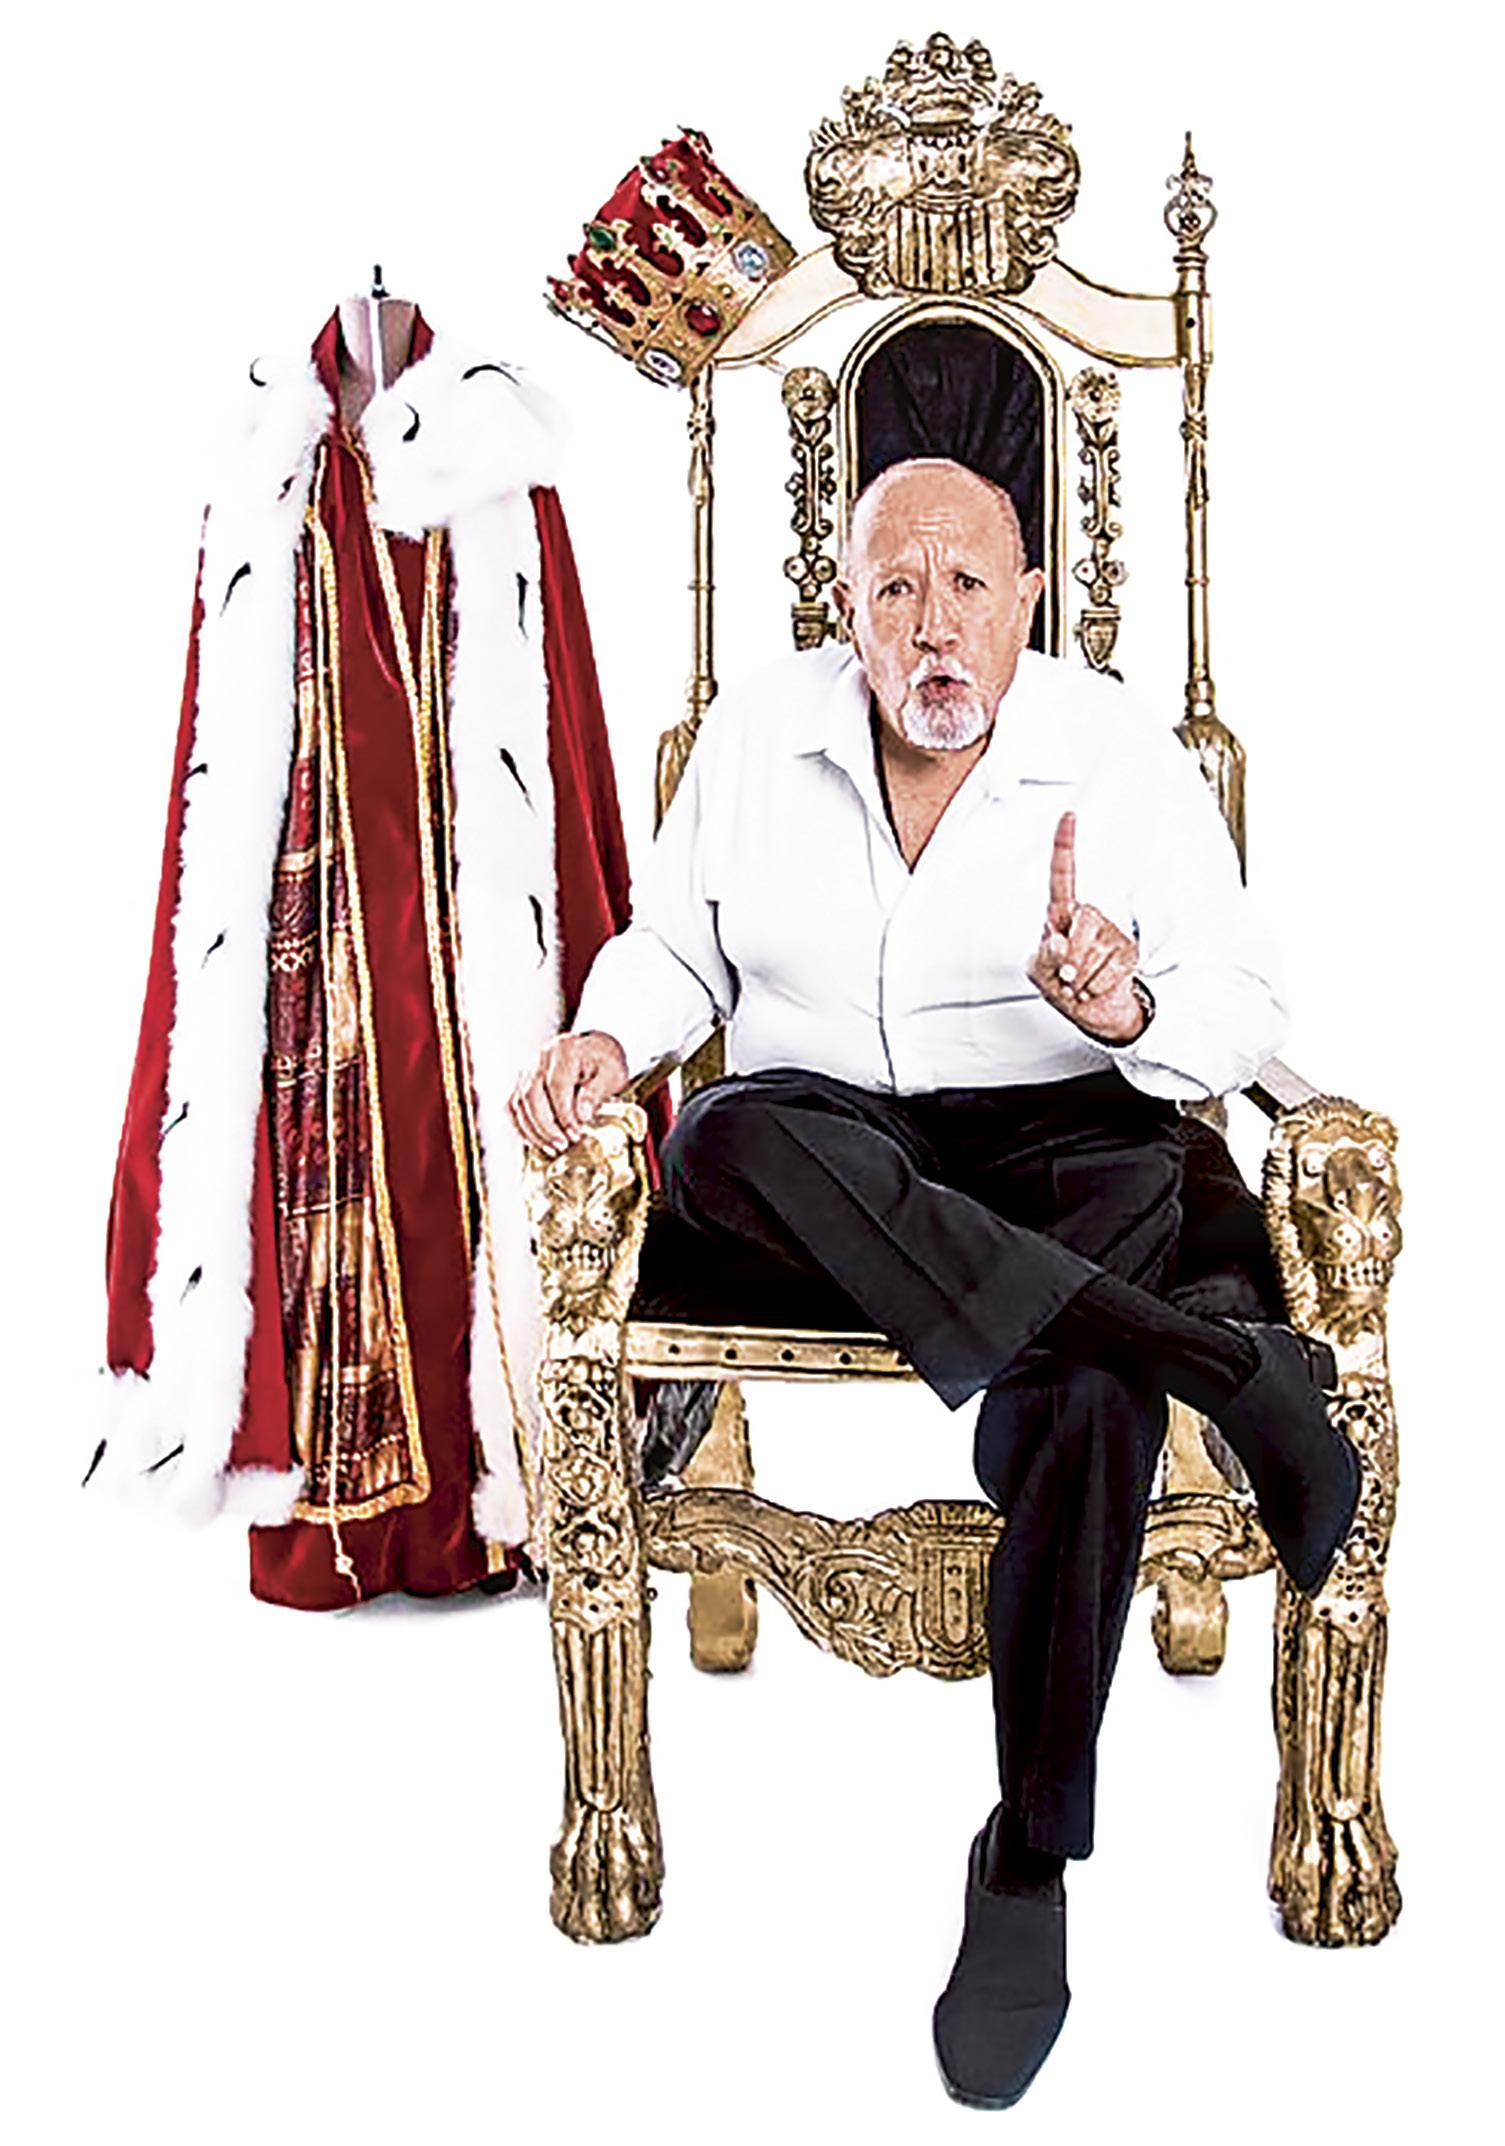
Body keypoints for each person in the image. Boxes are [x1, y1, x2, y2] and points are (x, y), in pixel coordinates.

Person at [509, 457, 1360, 2109]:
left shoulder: (1114, 749)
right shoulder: (759, 735)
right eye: (895, 588)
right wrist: (611, 1035)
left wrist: (1125, 1008)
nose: (932, 626)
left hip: (1062, 1137)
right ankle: (1222, 1367)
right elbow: (673, 948)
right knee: (722, 1137)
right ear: (847, 606)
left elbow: (1244, 1003)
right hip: (822, 1152)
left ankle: (1026, 1862)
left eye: (968, 585)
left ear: (1028, 597)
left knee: (1087, 1388)